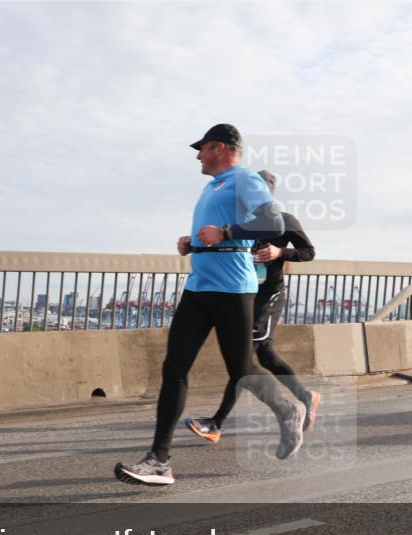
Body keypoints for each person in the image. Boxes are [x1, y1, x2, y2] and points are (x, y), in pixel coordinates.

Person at [115, 124, 307, 486]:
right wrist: (193, 243)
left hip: (232, 288)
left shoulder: (245, 179)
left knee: (242, 368)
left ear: (220, 147)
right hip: (198, 286)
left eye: (201, 149)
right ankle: (159, 460)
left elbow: (271, 222)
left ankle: (288, 410)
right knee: (174, 368)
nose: (198, 156)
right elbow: (214, 230)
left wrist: (227, 233)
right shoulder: (212, 186)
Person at [185, 169, 320, 443]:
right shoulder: (235, 224)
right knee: (265, 354)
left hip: (269, 294)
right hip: (244, 293)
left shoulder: (284, 221)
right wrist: (193, 245)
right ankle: (306, 396)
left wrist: (280, 252)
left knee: (244, 357)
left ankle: (217, 423)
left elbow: (309, 252)